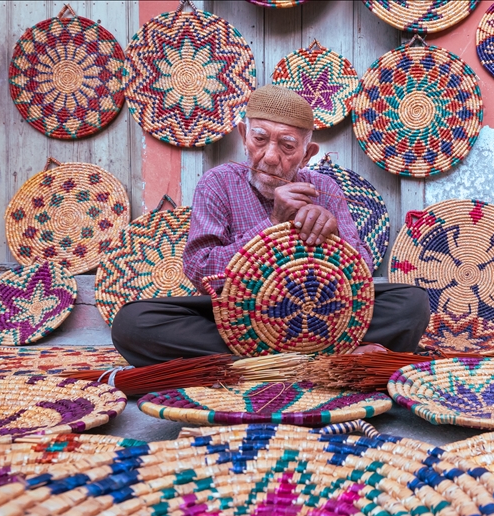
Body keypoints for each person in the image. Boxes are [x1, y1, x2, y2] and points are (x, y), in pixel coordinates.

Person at [111, 85, 431, 367]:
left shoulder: (325, 188)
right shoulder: (218, 183)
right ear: (243, 137)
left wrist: (336, 244)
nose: (270, 157)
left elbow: (362, 270)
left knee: (411, 304)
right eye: (260, 139)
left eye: (288, 146)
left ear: (307, 154)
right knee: (133, 323)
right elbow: (200, 272)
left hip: (320, 315)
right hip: (237, 315)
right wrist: (274, 223)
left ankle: (257, 363)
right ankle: (319, 360)